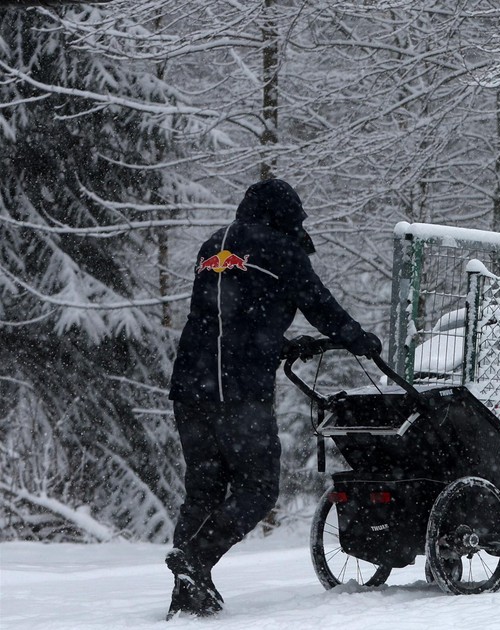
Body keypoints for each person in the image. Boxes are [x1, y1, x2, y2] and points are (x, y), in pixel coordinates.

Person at [165, 178, 382, 618]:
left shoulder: (212, 246)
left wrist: (279, 344)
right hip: (239, 393)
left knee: (203, 488)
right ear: (286, 216)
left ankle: (188, 589)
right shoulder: (281, 249)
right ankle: (196, 558)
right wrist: (357, 338)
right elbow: (319, 304)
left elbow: (225, 321)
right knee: (259, 488)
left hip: (191, 387)